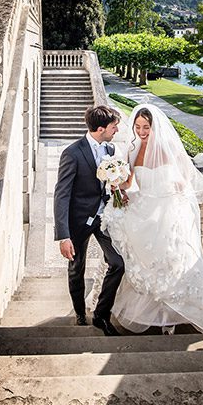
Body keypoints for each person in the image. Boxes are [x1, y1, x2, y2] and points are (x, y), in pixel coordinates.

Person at [100, 104, 203, 335]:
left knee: (170, 261)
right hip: (143, 208)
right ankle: (149, 315)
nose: (142, 132)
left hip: (168, 210)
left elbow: (186, 179)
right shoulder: (133, 150)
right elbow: (127, 182)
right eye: (138, 127)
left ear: (155, 127)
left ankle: (173, 314)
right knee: (145, 262)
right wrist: (114, 180)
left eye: (146, 127)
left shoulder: (170, 148)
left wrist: (174, 188)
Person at [53, 105, 125, 336]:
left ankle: (101, 315)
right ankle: (80, 313)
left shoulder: (111, 149)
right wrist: (63, 235)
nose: (117, 130)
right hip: (78, 221)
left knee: (118, 263)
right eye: (114, 126)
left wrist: (116, 191)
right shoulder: (72, 153)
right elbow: (61, 194)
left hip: (104, 217)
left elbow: (107, 182)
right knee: (77, 269)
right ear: (101, 128)